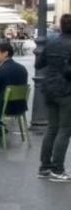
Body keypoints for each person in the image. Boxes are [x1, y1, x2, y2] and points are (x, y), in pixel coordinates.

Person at [37, 14, 71, 181]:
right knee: (65, 130)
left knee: (52, 128)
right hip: (66, 90)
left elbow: (39, 64)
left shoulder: (51, 41)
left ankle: (45, 167)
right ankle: (58, 170)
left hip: (49, 88)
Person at [0, 41, 29, 118]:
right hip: (20, 106)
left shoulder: (0, 71)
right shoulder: (22, 69)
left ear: (5, 53)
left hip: (4, 107)